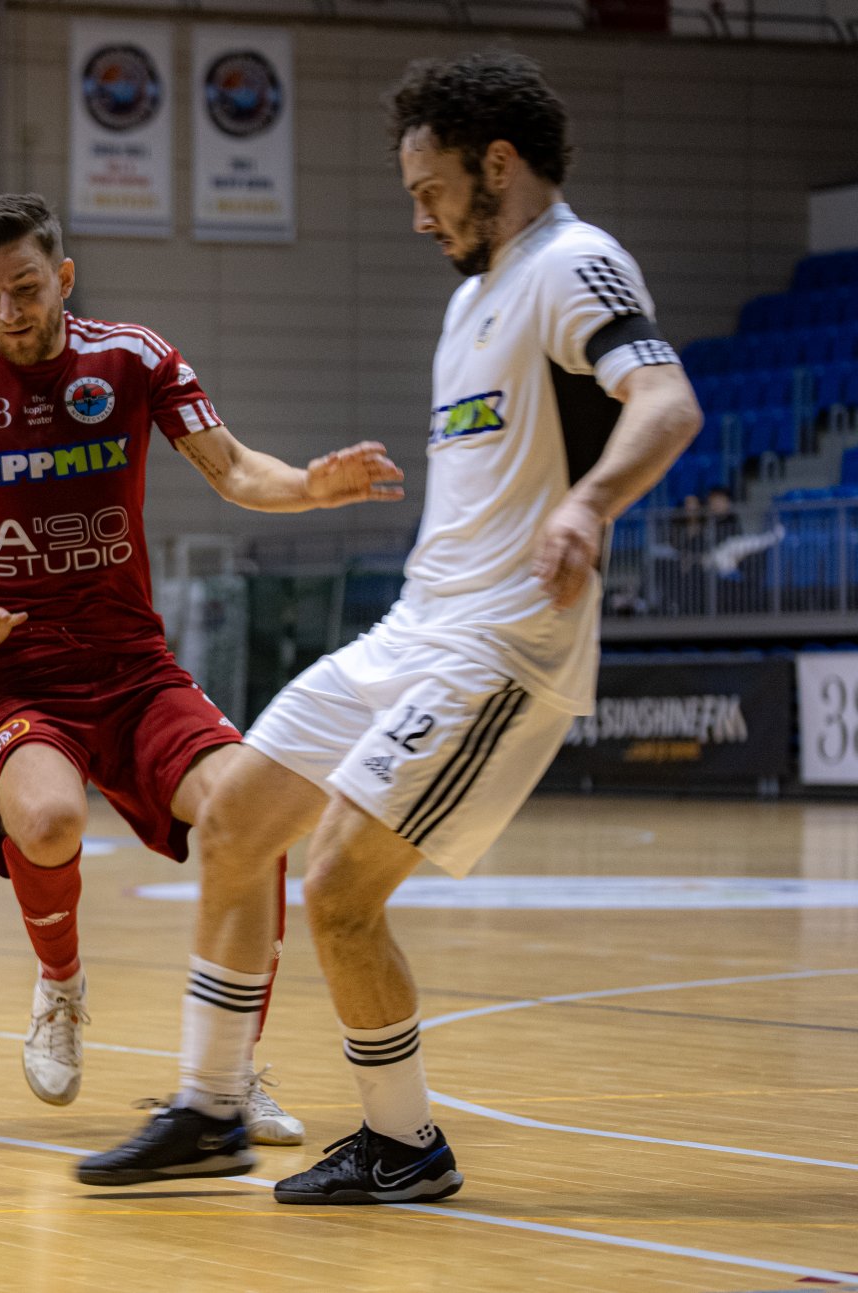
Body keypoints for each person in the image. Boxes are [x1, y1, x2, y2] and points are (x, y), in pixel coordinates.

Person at [80, 52, 701, 1201]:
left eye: (430, 190)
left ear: (496, 165)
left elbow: (666, 401)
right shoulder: (474, 297)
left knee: (340, 887)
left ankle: (407, 1144)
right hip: (415, 630)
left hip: (503, 653)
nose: (418, 217)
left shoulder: (577, 264)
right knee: (230, 821)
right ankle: (210, 1107)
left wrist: (588, 501)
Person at [0, 193, 403, 1148]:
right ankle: (60, 985)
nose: (7, 313)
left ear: (62, 276)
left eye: (23, 289)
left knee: (248, 820)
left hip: (137, 668)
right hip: (21, 676)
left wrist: (308, 486)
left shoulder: (132, 358)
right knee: (50, 818)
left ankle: (229, 1073)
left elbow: (229, 468)